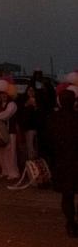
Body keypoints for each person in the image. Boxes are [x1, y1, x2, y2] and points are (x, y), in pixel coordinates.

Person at [48, 88, 78, 236]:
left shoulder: (54, 118)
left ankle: (70, 223)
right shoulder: (76, 117)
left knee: (67, 195)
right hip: (75, 161)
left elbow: (47, 141)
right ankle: (72, 223)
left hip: (61, 162)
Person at [0, 81, 19, 180]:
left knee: (11, 152)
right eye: (1, 94)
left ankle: (13, 173)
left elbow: (7, 114)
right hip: (1, 131)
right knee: (2, 152)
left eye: (5, 93)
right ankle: (5, 171)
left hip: (11, 131)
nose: (3, 96)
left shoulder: (12, 104)